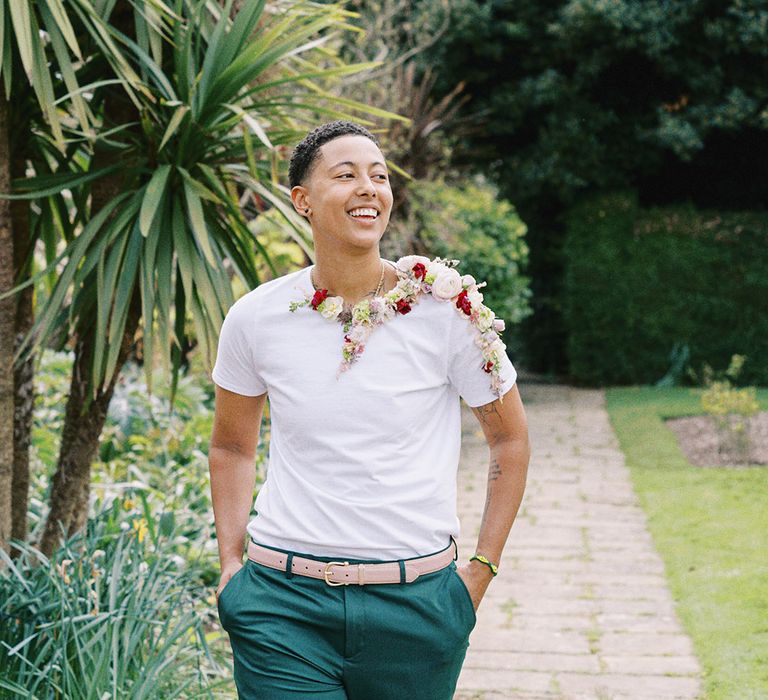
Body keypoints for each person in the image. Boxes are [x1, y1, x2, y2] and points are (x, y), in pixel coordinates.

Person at [208, 120, 530, 699]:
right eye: (346, 174)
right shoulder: (256, 317)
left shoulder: (448, 313)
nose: (369, 187)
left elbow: (510, 440)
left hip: (417, 608)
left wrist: (479, 572)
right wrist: (232, 566)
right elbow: (232, 445)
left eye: (379, 177)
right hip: (283, 604)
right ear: (302, 201)